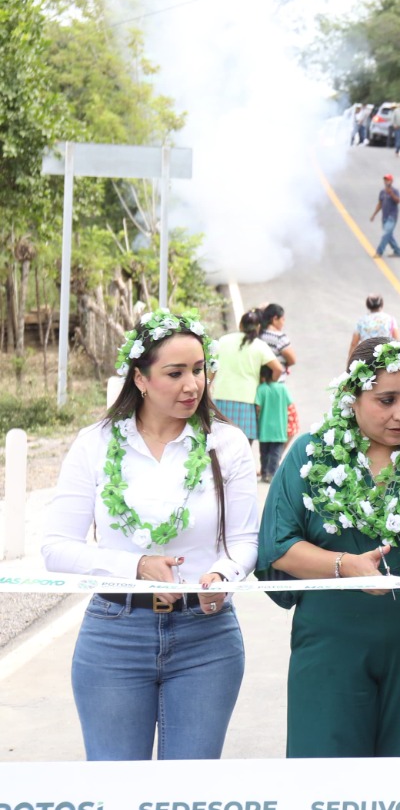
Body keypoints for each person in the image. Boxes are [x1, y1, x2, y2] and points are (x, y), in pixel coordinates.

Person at [41, 309, 259, 760]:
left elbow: (243, 542)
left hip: (207, 638)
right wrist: (136, 567)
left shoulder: (227, 444)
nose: (192, 385)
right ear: (140, 378)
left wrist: (222, 577)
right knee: (117, 788)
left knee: (189, 790)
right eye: (175, 373)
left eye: (199, 369)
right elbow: (56, 548)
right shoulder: (95, 443)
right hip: (115, 634)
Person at [258, 338, 400, 758]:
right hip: (329, 646)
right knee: (326, 773)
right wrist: (343, 565)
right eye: (386, 400)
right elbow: (278, 545)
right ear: (352, 396)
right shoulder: (309, 454)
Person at [211, 309, 282, 448]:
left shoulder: (224, 340)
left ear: (240, 325)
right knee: (242, 445)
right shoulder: (259, 345)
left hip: (221, 398)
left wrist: (208, 386)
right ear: (258, 327)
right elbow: (278, 369)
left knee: (220, 443)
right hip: (247, 401)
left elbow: (213, 366)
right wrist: (268, 384)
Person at [255, 303, 296, 482]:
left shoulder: (259, 335)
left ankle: (267, 467)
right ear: (275, 318)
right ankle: (274, 465)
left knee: (264, 428)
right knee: (290, 426)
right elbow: (292, 358)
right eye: (282, 319)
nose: (284, 322)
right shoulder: (279, 337)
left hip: (260, 386)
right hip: (277, 387)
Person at [371, 174, 400, 259]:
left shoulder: (395, 191)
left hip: (392, 217)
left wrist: (391, 194)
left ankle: (379, 252)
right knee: (388, 235)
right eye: (385, 180)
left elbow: (398, 201)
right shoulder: (382, 192)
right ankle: (398, 251)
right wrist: (374, 214)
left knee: (385, 234)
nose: (386, 181)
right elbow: (380, 204)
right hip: (384, 217)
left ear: (391, 181)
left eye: (388, 180)